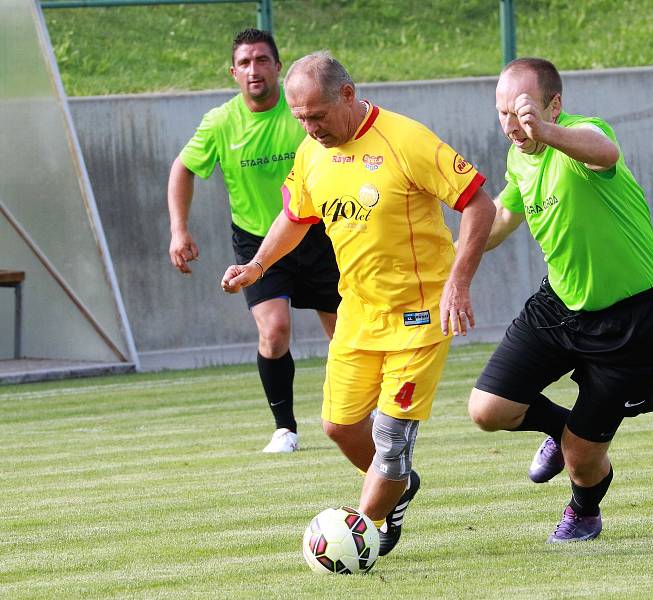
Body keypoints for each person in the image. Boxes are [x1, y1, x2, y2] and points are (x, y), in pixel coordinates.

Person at [221, 51, 496, 556]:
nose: (310, 127)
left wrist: (459, 280)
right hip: (357, 314)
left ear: (348, 95)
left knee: (390, 439)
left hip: (419, 316)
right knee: (340, 426)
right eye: (300, 118)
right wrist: (257, 266)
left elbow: (478, 202)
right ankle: (398, 485)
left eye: (317, 116)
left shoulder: (406, 140)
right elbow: (296, 216)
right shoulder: (310, 151)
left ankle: (358, 536)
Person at [467, 58, 653, 543]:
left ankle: (584, 510)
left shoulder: (581, 134)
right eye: (501, 114)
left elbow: (604, 153)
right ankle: (562, 431)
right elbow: (500, 217)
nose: (511, 127)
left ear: (554, 106)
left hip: (633, 318)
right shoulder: (520, 157)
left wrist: (543, 129)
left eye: (520, 113)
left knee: (585, 460)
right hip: (559, 307)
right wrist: (453, 252)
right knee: (487, 410)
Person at [167, 29, 340, 454]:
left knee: (345, 335)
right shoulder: (220, 122)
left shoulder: (304, 110)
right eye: (244, 63)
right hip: (258, 243)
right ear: (233, 72)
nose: (253, 70)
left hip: (319, 235)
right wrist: (178, 229)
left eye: (262, 60)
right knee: (275, 331)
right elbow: (183, 168)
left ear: (278, 68)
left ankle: (359, 413)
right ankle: (285, 428)